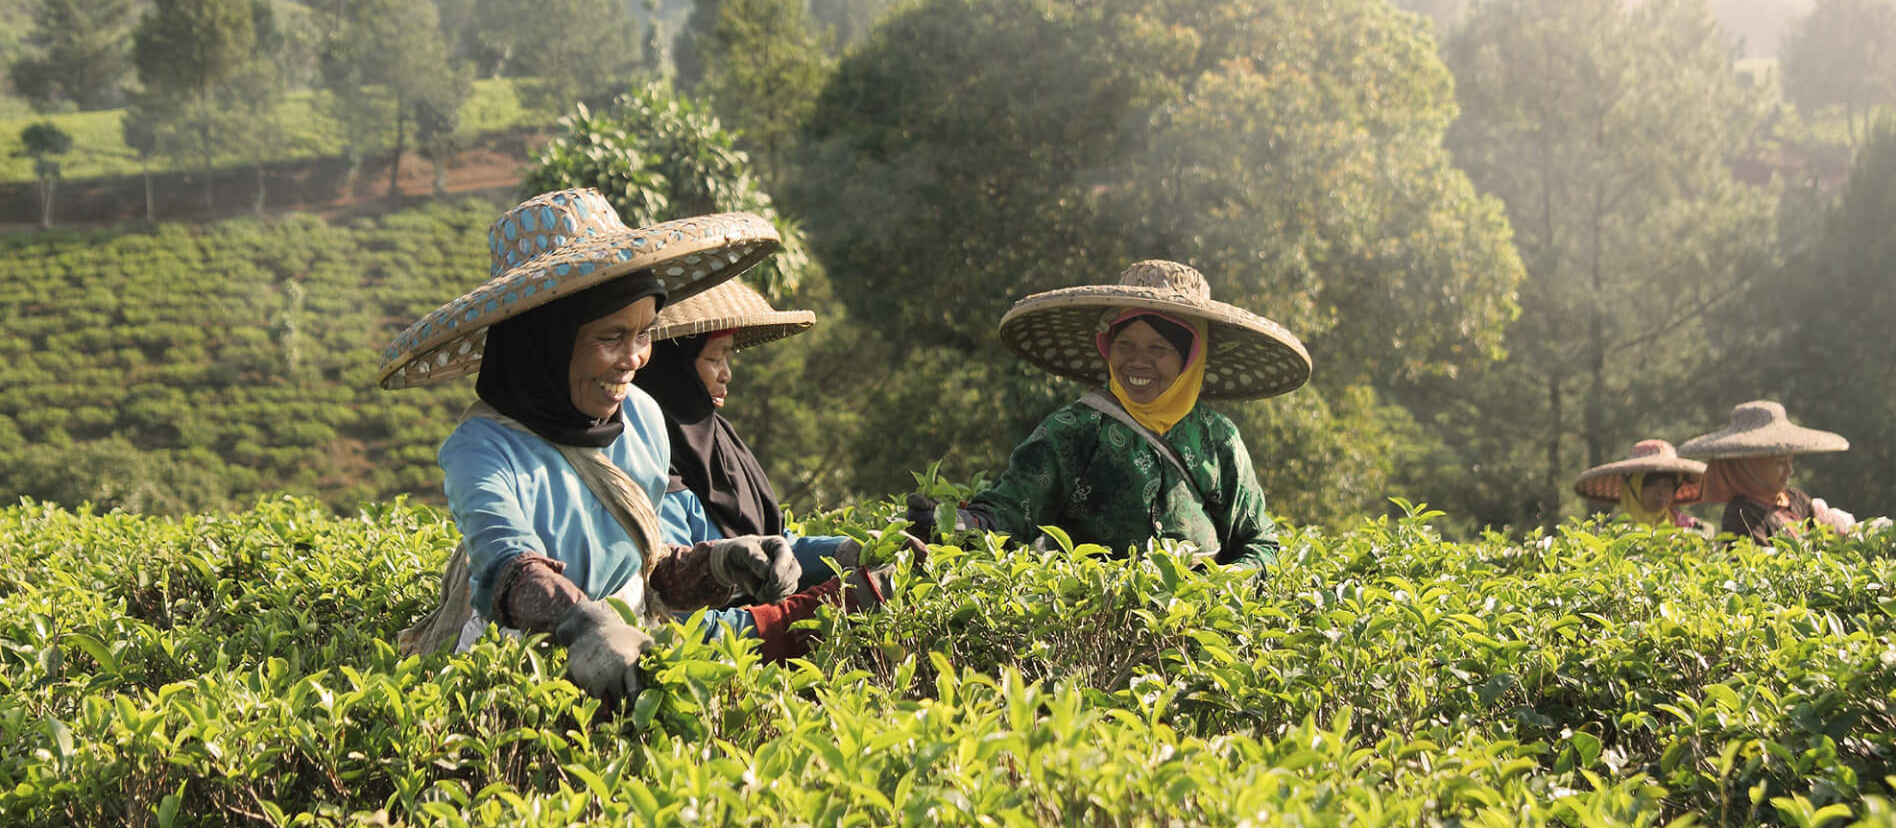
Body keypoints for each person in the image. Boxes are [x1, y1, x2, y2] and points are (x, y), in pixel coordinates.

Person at [379, 190, 883, 700]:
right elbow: (506, 567)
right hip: (520, 687)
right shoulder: (483, 447)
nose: (635, 358)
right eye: (611, 337)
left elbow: (646, 571)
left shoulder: (641, 418)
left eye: (644, 334)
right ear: (545, 342)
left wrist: (721, 562)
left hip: (633, 668)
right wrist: (578, 624)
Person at [914, 260, 1310, 569]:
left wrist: (1225, 583)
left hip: (1200, 634)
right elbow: (1013, 509)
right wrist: (958, 525)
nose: (1137, 363)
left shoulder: (1218, 438)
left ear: (1191, 357)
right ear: (1107, 347)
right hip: (1098, 626)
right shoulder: (1075, 429)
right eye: (1125, 344)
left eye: (1158, 349)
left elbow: (1260, 543)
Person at [632, 278, 925, 654]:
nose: (726, 374)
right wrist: (814, 611)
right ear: (672, 370)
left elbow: (774, 552)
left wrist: (852, 551)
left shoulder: (721, 446)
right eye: (712, 358)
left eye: (728, 357)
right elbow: (683, 630)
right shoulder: (650, 465)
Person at [1678, 401, 1855, 546]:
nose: (1789, 471)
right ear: (1748, 468)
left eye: (1789, 462)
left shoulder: (1795, 499)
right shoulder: (1741, 514)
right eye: (1779, 463)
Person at [1574, 439, 1712, 534]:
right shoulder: (1607, 531)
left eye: (1668, 485)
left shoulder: (1693, 530)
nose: (1661, 492)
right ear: (1633, 486)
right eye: (1651, 484)